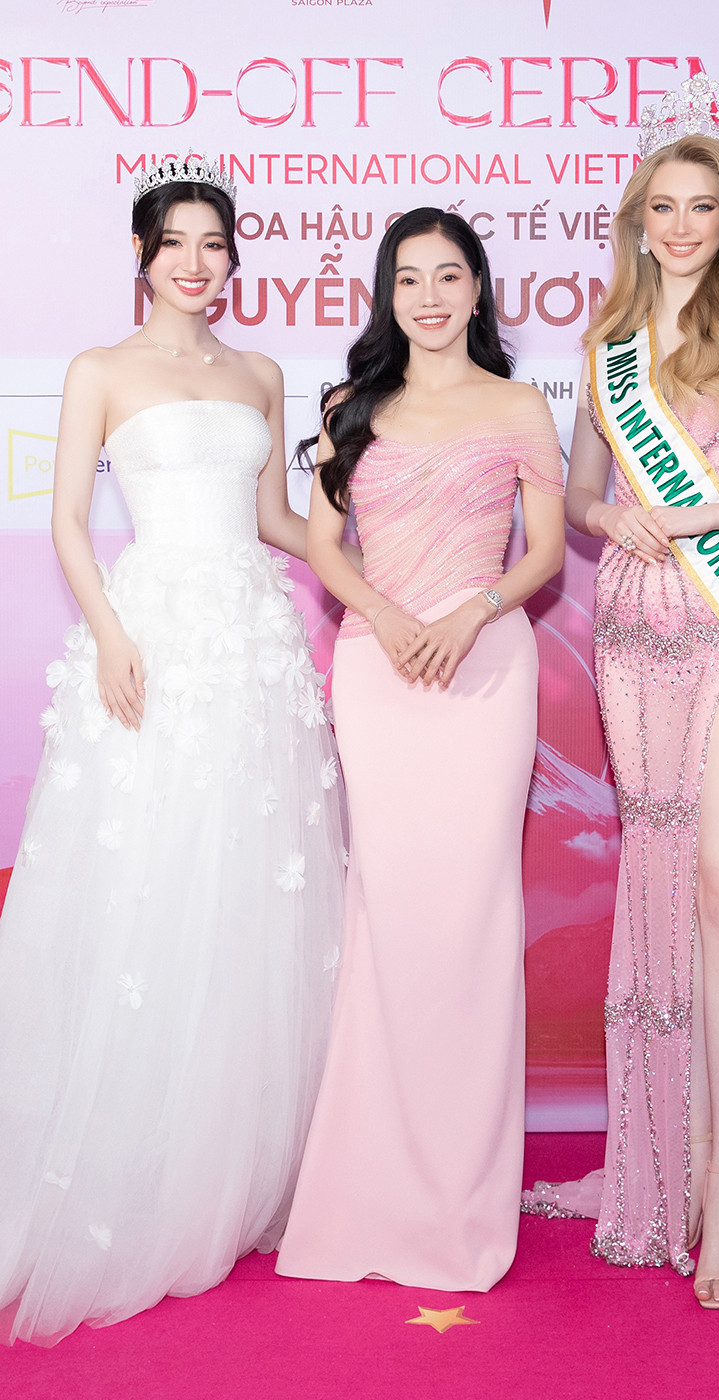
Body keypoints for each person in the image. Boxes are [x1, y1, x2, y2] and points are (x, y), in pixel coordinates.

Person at [0, 157, 345, 1345]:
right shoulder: (100, 368)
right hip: (150, 640)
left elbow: (274, 520)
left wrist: (362, 547)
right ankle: (130, 1168)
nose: (198, 263)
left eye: (215, 244)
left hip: (253, 647)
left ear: (233, 257)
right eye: (177, 243)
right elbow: (64, 519)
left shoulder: (260, 372)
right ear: (141, 255)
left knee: (248, 895)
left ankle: (230, 1167)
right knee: (146, 887)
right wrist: (110, 634)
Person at [521, 77, 719, 1308]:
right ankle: (667, 1153)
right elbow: (582, 491)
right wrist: (612, 517)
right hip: (637, 636)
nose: (681, 225)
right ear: (636, 219)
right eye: (662, 206)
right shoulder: (605, 345)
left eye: (702, 206)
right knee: (668, 882)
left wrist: (709, 511)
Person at [275, 207, 566, 1292]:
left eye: (449, 276)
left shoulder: (519, 405)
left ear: (479, 289)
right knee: (389, 918)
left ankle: (459, 1202)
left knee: (472, 918)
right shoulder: (350, 407)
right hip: (378, 669)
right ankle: (371, 1191)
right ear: (387, 294)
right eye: (409, 279)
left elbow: (545, 553)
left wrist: (471, 611)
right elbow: (323, 542)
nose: (430, 297)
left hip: (485, 668)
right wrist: (390, 618)